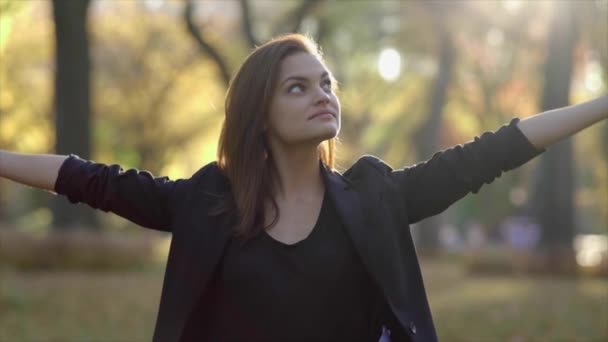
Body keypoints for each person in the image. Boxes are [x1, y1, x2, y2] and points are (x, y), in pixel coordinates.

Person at [0, 34, 606, 342]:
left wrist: (602, 104)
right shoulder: (207, 202)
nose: (323, 95)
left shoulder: (374, 195)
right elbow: (88, 180)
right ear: (258, 114)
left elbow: (495, 150)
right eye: (298, 87)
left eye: (326, 83)